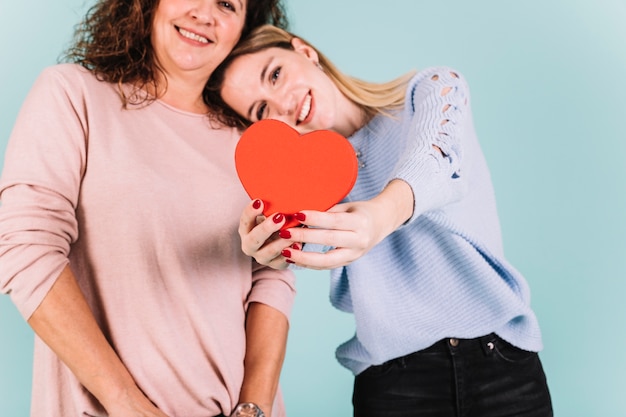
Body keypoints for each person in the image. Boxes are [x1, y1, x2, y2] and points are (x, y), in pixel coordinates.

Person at [204, 25, 553, 417]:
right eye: (262, 111)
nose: (283, 104)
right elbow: (305, 239)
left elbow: (434, 161)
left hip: (503, 368)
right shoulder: (309, 184)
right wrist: (272, 248)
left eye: (276, 74)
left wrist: (379, 214)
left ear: (304, 51)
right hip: (394, 388)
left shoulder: (432, 90)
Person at [0, 2, 296, 417]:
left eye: (228, 4)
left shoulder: (251, 141)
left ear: (245, 27)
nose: (204, 14)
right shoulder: (73, 93)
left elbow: (272, 276)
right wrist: (124, 402)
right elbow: (24, 249)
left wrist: (256, 406)